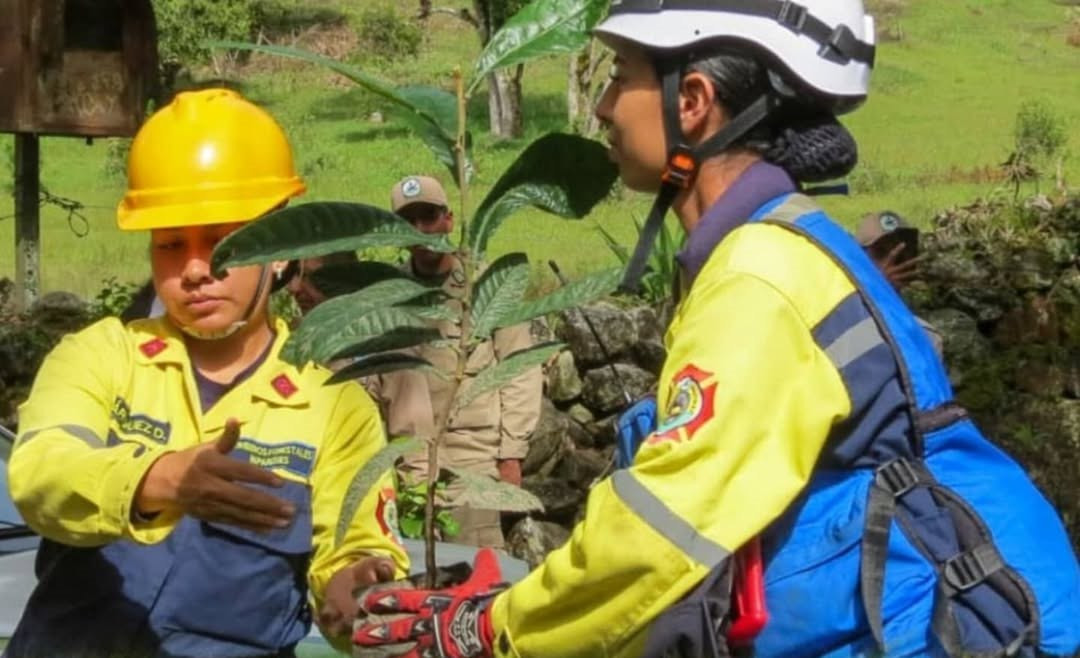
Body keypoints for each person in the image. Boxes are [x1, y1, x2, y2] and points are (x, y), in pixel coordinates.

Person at [352, 2, 1080, 657]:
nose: (602, 106)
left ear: (693, 101)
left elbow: (661, 532)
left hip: (935, 630)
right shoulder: (775, 243)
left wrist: (492, 628)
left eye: (620, 76)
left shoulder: (759, 276)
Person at [4, 88, 408, 658]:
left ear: (283, 250)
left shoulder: (334, 405)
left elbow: (352, 558)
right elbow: (40, 475)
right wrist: (158, 481)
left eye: (221, 244)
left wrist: (359, 598)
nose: (195, 270)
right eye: (170, 245)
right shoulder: (100, 356)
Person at [365, 175, 542, 549]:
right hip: (408, 469)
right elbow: (371, 382)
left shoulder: (487, 287)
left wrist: (511, 454)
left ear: (447, 219)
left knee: (479, 585)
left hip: (472, 465)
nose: (420, 230)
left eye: (428, 217)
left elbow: (520, 369)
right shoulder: (388, 297)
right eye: (407, 222)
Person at [857, 209, 944, 357]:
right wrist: (878, 290)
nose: (895, 260)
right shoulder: (850, 301)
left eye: (902, 251)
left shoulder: (929, 296)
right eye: (881, 253)